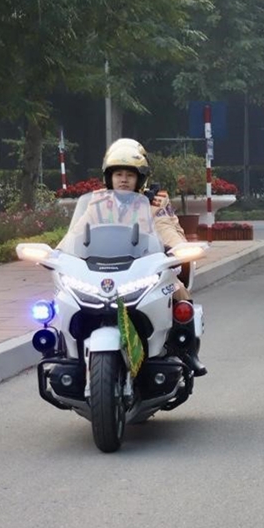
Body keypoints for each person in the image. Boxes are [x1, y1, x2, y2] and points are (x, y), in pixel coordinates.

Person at [101, 139, 207, 376]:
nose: (124, 180)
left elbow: (166, 228)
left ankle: (187, 350)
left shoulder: (156, 202)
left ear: (141, 178)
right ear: (109, 177)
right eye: (118, 174)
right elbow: (78, 231)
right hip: (104, 271)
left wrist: (179, 249)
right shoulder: (98, 203)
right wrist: (59, 253)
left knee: (178, 292)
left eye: (130, 174)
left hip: (147, 269)